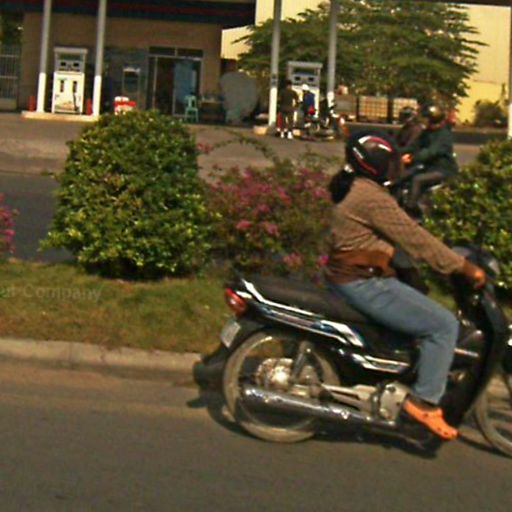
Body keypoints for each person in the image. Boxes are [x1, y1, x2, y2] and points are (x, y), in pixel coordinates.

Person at [324, 129, 486, 440]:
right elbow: (415, 239)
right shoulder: (370, 198)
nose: (394, 169)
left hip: (352, 277)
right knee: (443, 326)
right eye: (389, 163)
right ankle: (423, 401)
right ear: (374, 164)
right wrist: (463, 267)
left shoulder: (357, 186)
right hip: (364, 283)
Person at [401, 104, 458, 213]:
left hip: (443, 170)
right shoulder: (426, 133)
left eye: (427, 118)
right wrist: (397, 152)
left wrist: (412, 158)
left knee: (417, 180)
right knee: (402, 176)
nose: (424, 121)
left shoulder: (444, 135)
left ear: (433, 120)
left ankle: (410, 210)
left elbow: (430, 152)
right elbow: (414, 146)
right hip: (429, 167)